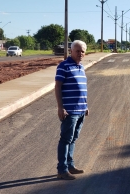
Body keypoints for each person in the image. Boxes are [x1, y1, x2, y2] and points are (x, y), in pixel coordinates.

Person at [54, 40, 89, 180]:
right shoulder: (63, 66)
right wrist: (60, 107)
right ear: (71, 51)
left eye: (83, 51)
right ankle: (62, 170)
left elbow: (83, 89)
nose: (80, 53)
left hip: (81, 110)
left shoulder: (81, 67)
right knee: (66, 139)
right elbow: (57, 87)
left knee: (73, 139)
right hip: (69, 111)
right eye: (78, 51)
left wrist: (86, 106)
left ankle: (70, 165)